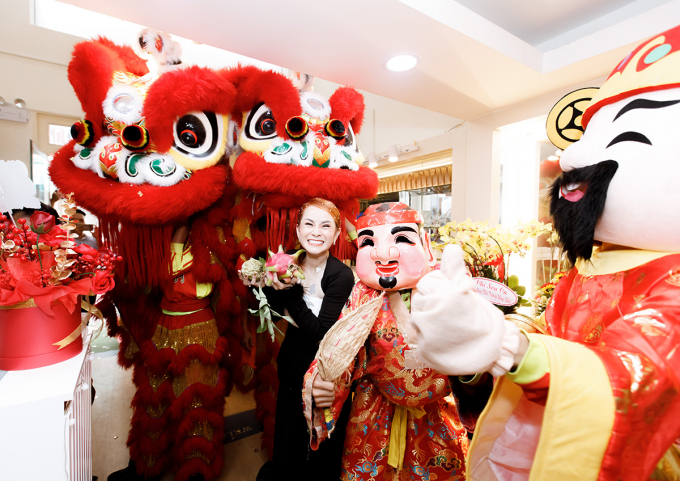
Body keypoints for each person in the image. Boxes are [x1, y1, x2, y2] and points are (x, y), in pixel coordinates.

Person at [410, 24, 680, 481]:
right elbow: (548, 329)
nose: (570, 159)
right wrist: (486, 331)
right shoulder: (591, 265)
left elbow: (637, 374)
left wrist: (507, 347)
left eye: (627, 136)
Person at [306, 202, 469, 481]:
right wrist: (325, 381)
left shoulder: (447, 287)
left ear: (426, 244)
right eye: (368, 242)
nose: (383, 253)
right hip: (375, 411)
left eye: (402, 238)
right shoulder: (363, 294)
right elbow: (341, 350)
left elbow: (473, 352)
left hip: (436, 415)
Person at [240, 198, 355, 481]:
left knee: (321, 443)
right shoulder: (286, 260)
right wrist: (260, 286)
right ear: (298, 230)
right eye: (309, 224)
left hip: (324, 375)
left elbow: (320, 334)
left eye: (325, 226)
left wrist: (290, 291)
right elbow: (274, 313)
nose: (316, 232)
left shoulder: (340, 275)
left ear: (336, 235)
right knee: (288, 437)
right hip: (292, 364)